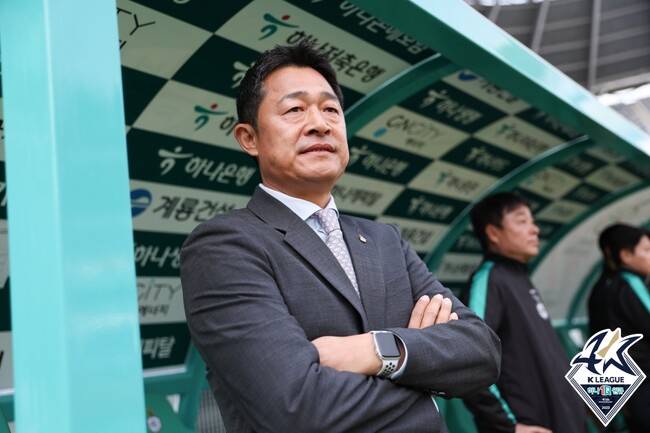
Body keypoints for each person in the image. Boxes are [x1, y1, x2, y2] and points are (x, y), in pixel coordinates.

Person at [180, 42, 501, 433]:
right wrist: (426, 386)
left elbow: (481, 352)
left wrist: (378, 350)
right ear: (249, 138)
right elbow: (297, 407)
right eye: (295, 110)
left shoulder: (384, 241)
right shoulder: (224, 246)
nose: (320, 124)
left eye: (331, 109)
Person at [462, 192, 586, 433]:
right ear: (493, 233)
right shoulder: (489, 280)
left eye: (533, 221)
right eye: (522, 221)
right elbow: (469, 359)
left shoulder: (519, 277)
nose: (534, 229)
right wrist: (509, 426)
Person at [588, 223, 650, 433]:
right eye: (646, 250)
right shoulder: (630, 283)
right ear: (626, 255)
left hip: (621, 391)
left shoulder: (599, 289)